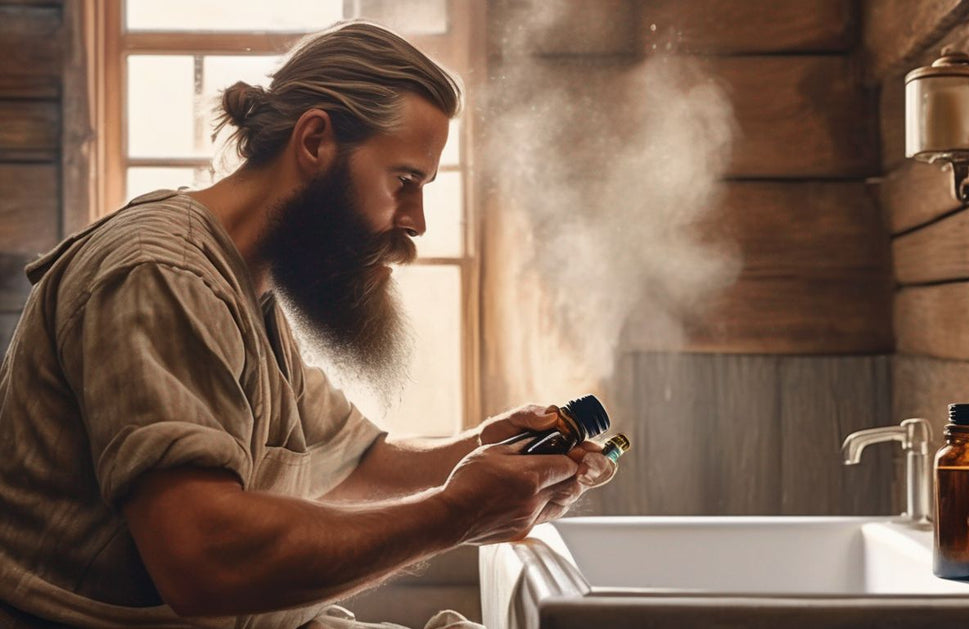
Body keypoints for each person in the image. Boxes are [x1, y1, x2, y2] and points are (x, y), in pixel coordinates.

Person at [0, 21, 616, 628]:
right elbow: (203, 559)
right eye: (405, 181)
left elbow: (357, 462)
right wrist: (456, 515)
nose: (417, 221)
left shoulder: (248, 286)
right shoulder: (161, 274)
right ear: (316, 140)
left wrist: (485, 448)